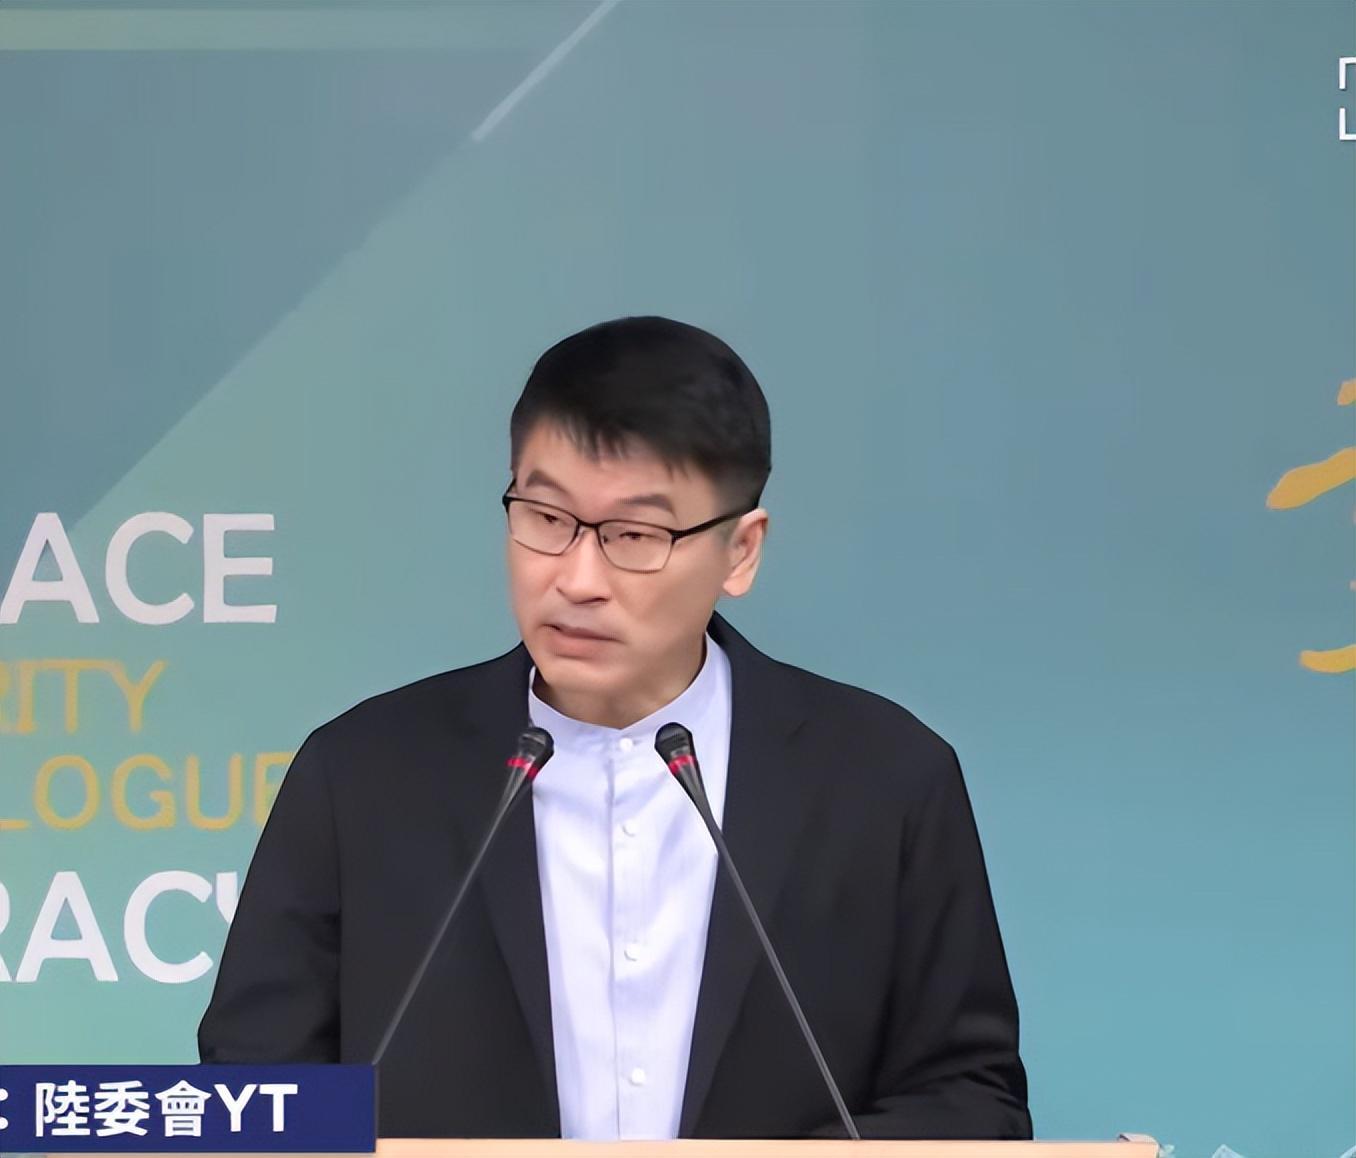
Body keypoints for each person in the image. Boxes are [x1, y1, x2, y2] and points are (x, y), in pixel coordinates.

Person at [197, 316, 1032, 1141]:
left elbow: (971, 1098)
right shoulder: (361, 777)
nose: (578, 578)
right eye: (546, 518)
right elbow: (252, 1095)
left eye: (635, 535)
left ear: (741, 551)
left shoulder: (885, 780)